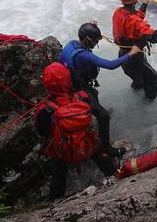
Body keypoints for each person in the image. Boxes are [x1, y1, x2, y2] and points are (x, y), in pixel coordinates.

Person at [60, 22, 141, 174]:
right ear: (87, 40)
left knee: (94, 97)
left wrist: (91, 27)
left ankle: (94, 115)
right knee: (104, 116)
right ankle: (108, 149)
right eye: (95, 41)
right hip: (79, 89)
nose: (97, 43)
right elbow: (110, 65)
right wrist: (131, 54)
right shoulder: (84, 55)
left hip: (73, 84)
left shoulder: (71, 45)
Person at [34, 63, 119, 199]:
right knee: (99, 150)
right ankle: (114, 174)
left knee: (56, 169)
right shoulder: (82, 96)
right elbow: (100, 114)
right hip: (87, 144)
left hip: (61, 152)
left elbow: (42, 134)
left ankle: (56, 200)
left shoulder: (44, 109)